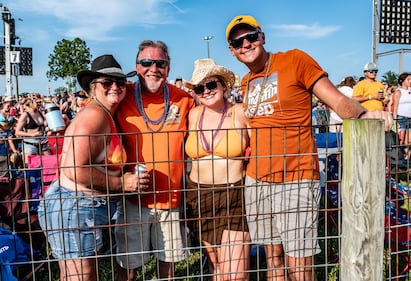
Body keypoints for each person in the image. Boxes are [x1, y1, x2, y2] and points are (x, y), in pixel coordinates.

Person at [225, 14, 393, 281]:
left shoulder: (294, 60)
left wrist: (363, 116)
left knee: (299, 263)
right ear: (232, 52)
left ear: (263, 37)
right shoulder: (246, 82)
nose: (245, 44)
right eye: (237, 42)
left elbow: (335, 99)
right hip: (257, 180)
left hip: (296, 178)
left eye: (251, 36)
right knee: (273, 258)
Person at [37, 54, 146, 281]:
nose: (115, 87)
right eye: (106, 82)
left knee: (79, 275)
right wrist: (120, 182)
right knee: (82, 277)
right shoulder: (95, 116)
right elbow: (74, 169)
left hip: (81, 207)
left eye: (119, 82)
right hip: (75, 206)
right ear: (92, 88)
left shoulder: (104, 115)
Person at [114, 40, 195, 281]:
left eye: (160, 63)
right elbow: (93, 111)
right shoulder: (122, 94)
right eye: (146, 62)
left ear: (168, 68)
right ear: (136, 66)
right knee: (127, 264)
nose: (153, 68)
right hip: (133, 200)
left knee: (167, 265)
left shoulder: (184, 99)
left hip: (171, 199)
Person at [184, 58, 251, 281]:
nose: (206, 91)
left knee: (237, 273)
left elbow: (261, 147)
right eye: (199, 87)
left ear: (223, 85)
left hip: (233, 195)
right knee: (217, 266)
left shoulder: (240, 112)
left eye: (211, 85)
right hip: (199, 195)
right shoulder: (193, 115)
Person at [14, 98, 51, 165]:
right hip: (30, 144)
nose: (40, 104)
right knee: (31, 166)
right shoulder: (25, 115)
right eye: (38, 102)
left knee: (49, 163)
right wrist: (32, 135)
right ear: (31, 104)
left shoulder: (39, 112)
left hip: (43, 142)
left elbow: (44, 125)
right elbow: (17, 132)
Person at [392, 72, 411, 157]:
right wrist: (396, 121)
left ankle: (407, 158)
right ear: (402, 81)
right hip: (401, 117)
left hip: (410, 117)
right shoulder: (398, 92)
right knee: (401, 139)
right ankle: (400, 157)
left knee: (409, 140)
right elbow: (395, 107)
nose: (410, 81)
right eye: (408, 79)